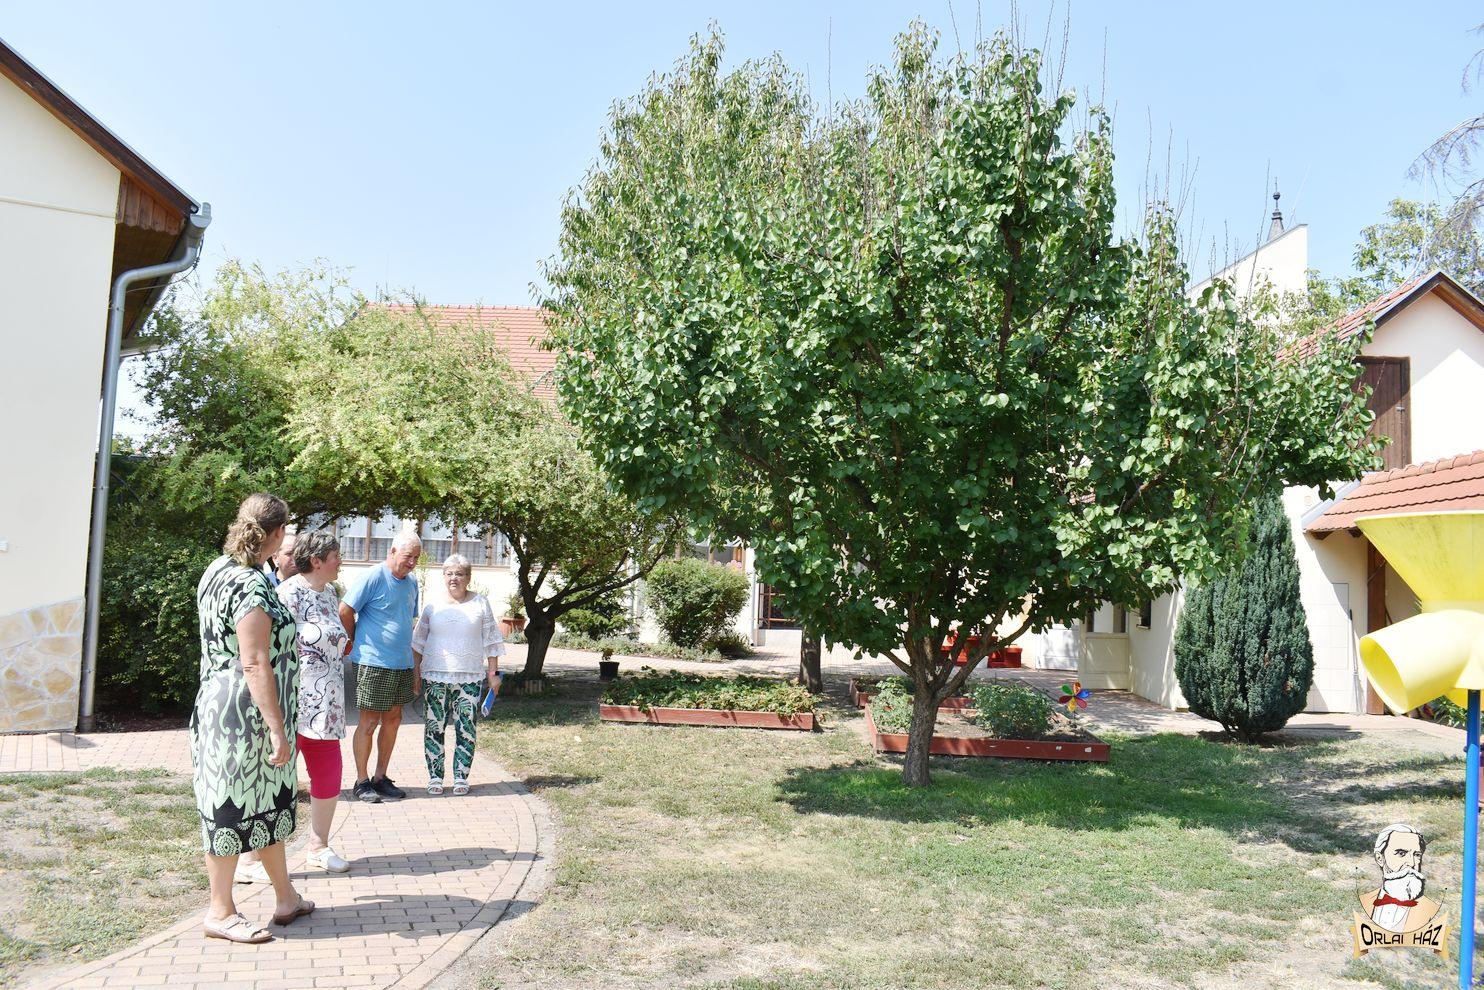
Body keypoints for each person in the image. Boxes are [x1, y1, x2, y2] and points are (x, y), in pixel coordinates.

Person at [192, 493, 313, 944]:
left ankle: (286, 898)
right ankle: (220, 912)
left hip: (228, 707)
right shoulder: (250, 584)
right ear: (278, 533)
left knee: (268, 804)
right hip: (243, 719)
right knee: (230, 807)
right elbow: (254, 661)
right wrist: (277, 728)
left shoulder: (219, 569)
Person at [235, 529, 352, 883]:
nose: (340, 561)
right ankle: (249, 858)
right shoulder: (286, 594)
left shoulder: (330, 593)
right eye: (335, 555)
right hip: (293, 703)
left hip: (327, 705)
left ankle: (318, 847)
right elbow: (268, 649)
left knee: (329, 773)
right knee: (274, 779)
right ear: (316, 560)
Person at [412, 554, 505, 795]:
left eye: (459, 574)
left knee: (466, 728)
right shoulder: (432, 604)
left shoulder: (480, 603)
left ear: (468, 577)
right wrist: (416, 673)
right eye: (449, 573)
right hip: (435, 675)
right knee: (434, 728)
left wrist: (493, 673)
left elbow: (492, 640)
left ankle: (461, 777)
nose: (454, 578)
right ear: (444, 576)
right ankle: (435, 777)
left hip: (470, 677)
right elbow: (418, 642)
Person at [340, 532, 422, 803]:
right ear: (392, 551)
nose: (412, 562)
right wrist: (354, 638)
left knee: (394, 719)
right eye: (408, 556)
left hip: (401, 662)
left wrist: (414, 666)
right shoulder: (373, 576)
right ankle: (361, 781)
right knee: (369, 721)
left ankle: (380, 777)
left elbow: (407, 620)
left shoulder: (412, 583)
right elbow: (345, 610)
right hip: (373, 661)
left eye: (416, 558)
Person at [1360, 823, 1441, 933]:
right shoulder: (1366, 903)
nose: (1411, 863)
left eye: (1417, 855)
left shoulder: (1429, 911)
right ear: (1380, 858)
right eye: (1401, 853)